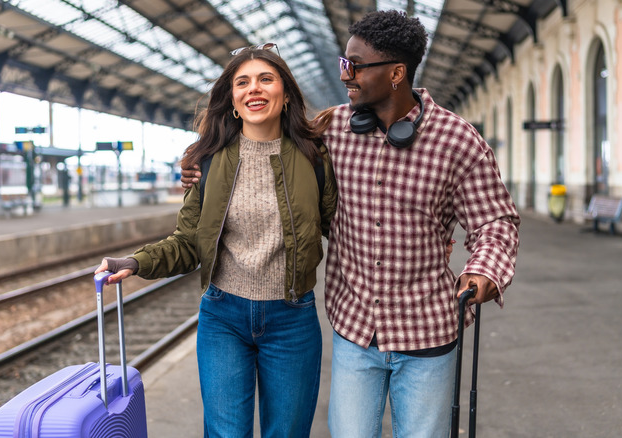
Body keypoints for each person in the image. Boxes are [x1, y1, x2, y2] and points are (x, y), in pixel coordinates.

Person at [182, 10, 520, 437]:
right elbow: (264, 136)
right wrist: (201, 162)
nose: (345, 76)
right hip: (355, 329)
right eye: (344, 63)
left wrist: (484, 270)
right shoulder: (330, 131)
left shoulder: (458, 141)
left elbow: (495, 221)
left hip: (428, 329)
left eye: (354, 65)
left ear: (397, 73)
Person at [95, 44, 337, 438]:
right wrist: (136, 262)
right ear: (234, 101)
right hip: (223, 316)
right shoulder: (207, 161)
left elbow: (340, 227)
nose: (253, 89)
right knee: (225, 434)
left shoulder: (315, 157)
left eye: (265, 79)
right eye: (242, 82)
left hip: (292, 318)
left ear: (286, 93)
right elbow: (189, 241)